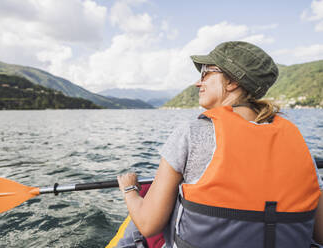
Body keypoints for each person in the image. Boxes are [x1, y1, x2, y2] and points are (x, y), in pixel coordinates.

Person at [116, 41, 323, 248]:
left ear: (232, 82)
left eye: (206, 73)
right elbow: (320, 233)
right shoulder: (296, 141)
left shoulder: (192, 132)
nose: (198, 82)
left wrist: (130, 189)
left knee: (144, 204)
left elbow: (148, 224)